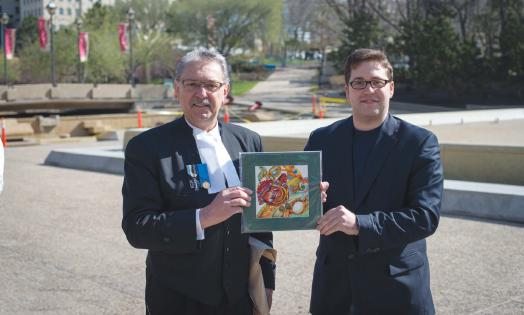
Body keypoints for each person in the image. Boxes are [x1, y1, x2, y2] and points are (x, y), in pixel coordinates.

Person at [122, 48, 275, 315]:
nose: (202, 94)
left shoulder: (249, 141)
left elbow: (261, 223)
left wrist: (267, 280)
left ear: (225, 92)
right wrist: (203, 217)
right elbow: (137, 228)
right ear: (177, 89)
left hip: (239, 297)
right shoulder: (147, 148)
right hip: (177, 297)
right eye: (192, 84)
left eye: (211, 85)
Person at [306, 48, 444, 315]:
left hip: (396, 291)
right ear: (347, 90)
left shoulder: (420, 143)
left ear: (391, 88)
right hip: (334, 291)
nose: (368, 89)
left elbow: (425, 217)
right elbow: (303, 207)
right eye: (358, 82)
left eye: (377, 82)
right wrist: (310, 202)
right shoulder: (321, 140)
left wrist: (360, 224)